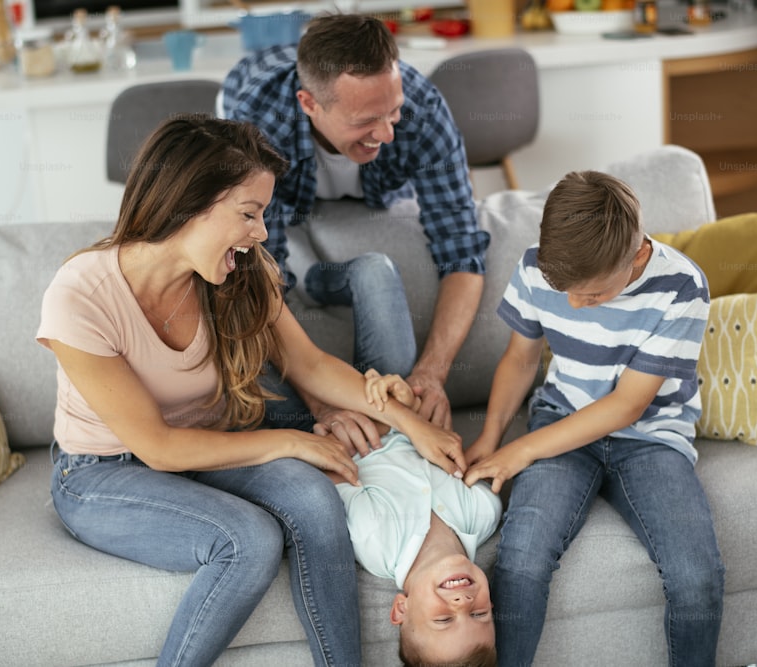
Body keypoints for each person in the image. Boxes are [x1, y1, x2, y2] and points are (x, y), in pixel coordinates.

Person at [36, 117, 466, 667]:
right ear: (191, 202)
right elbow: (159, 448)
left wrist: (415, 425)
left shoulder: (240, 274)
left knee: (315, 495)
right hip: (103, 472)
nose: (261, 232)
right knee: (247, 540)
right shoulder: (82, 294)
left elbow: (308, 364)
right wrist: (288, 441)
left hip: (208, 445)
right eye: (248, 214)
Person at [462, 171, 726, 665]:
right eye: (564, 292)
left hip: (650, 437)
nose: (574, 306)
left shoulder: (681, 287)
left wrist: (517, 451)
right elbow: (521, 359)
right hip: (562, 418)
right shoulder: (536, 267)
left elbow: (627, 406)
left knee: (697, 577)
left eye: (593, 296)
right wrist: (491, 435)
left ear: (636, 257)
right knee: (519, 562)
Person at [220, 13, 491, 454]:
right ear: (309, 104)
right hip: (252, 102)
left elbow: (463, 253)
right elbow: (256, 277)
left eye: (393, 111)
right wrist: (323, 404)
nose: (387, 132)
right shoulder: (256, 122)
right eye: (367, 119)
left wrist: (431, 375)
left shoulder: (419, 109)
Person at [328, 369, 500, 667]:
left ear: (401, 610)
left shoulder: (376, 541)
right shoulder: (483, 512)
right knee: (397, 344)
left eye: (443, 619)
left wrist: (390, 415)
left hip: (344, 399)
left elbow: (331, 456)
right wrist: (409, 406)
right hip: (396, 391)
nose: (462, 603)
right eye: (478, 614)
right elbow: (444, 443)